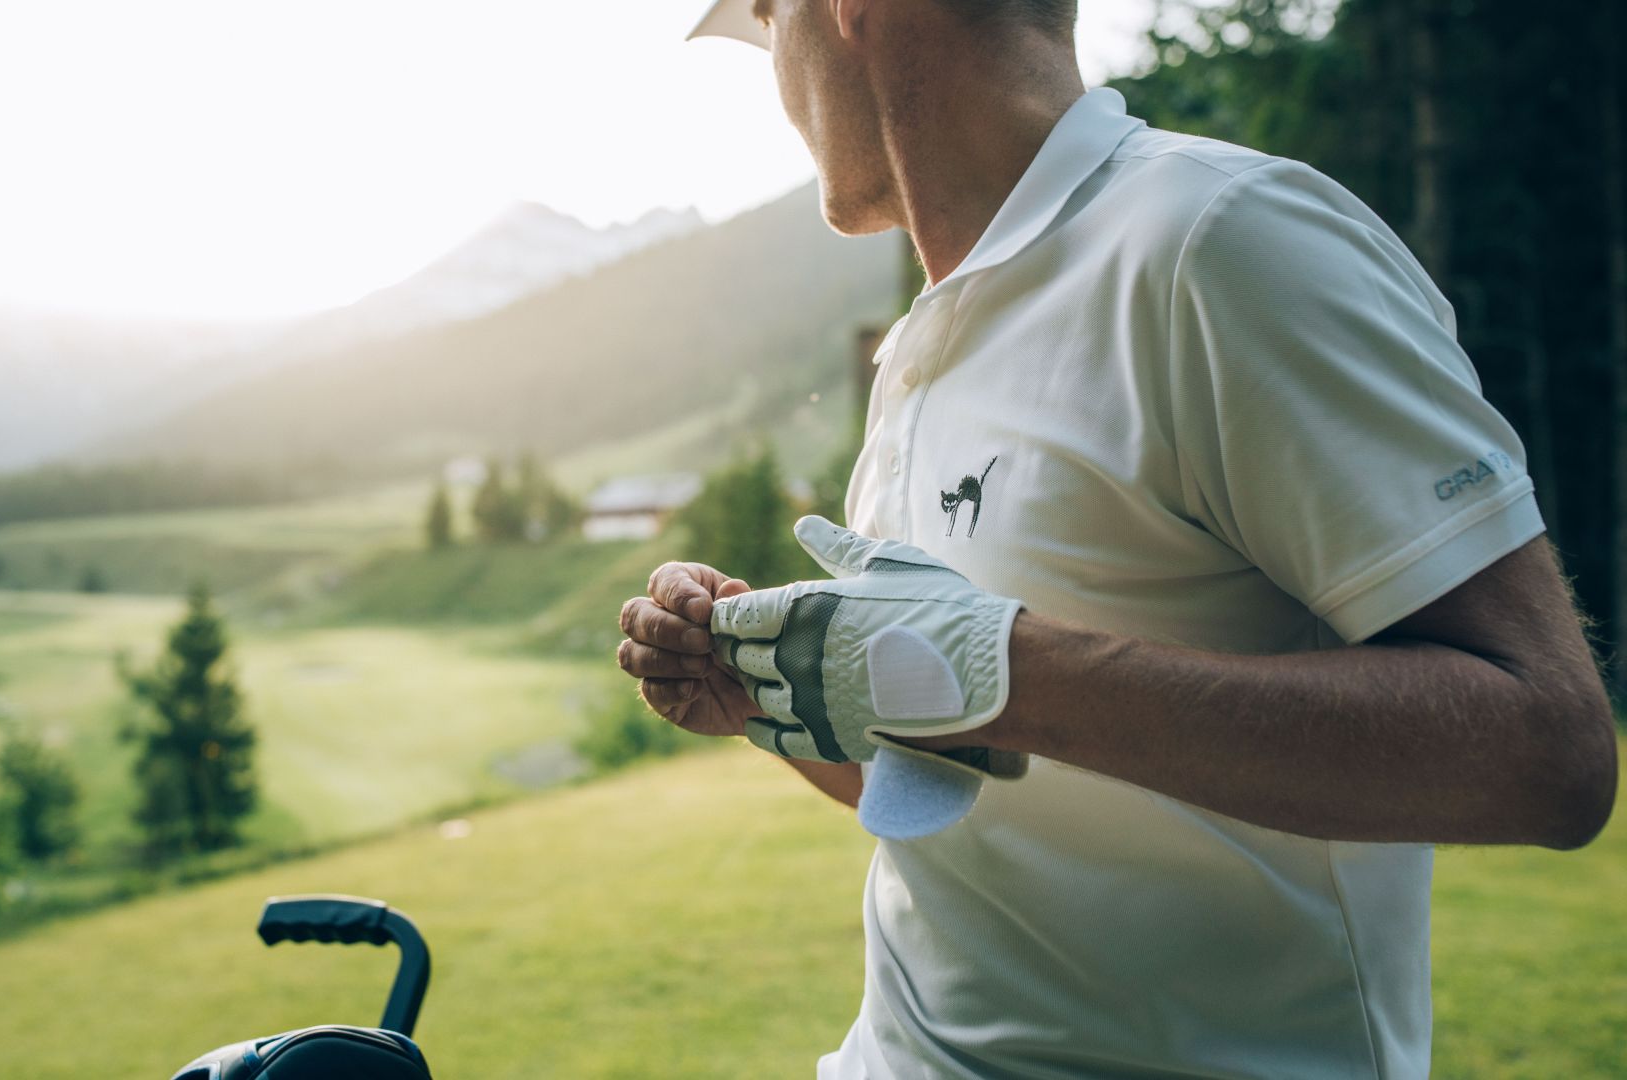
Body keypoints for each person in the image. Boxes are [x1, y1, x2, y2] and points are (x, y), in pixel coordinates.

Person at [614, 0, 1620, 1076]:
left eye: (769, 17)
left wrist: (1003, 668)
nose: (775, 74)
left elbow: (1546, 749)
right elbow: (984, 788)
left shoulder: (1221, 240)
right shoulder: (925, 342)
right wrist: (782, 702)